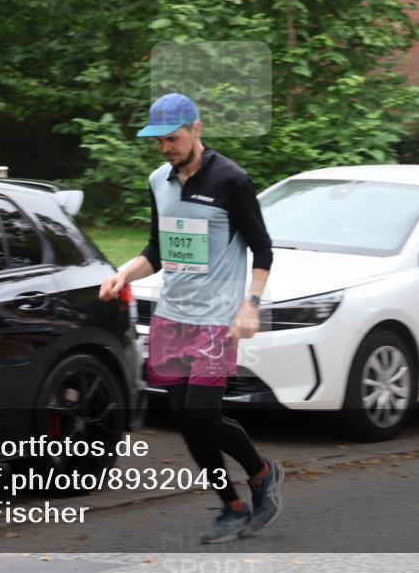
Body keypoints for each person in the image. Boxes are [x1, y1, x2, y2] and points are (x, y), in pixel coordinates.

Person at [99, 93, 284, 544]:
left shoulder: (231, 180)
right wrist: (124, 272)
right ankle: (233, 506)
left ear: (197, 129)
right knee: (183, 418)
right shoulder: (158, 181)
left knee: (202, 415)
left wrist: (251, 305)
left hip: (217, 319)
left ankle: (262, 475)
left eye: (174, 139)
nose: (166, 148)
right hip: (171, 318)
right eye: (159, 141)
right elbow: (157, 251)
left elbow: (262, 249)